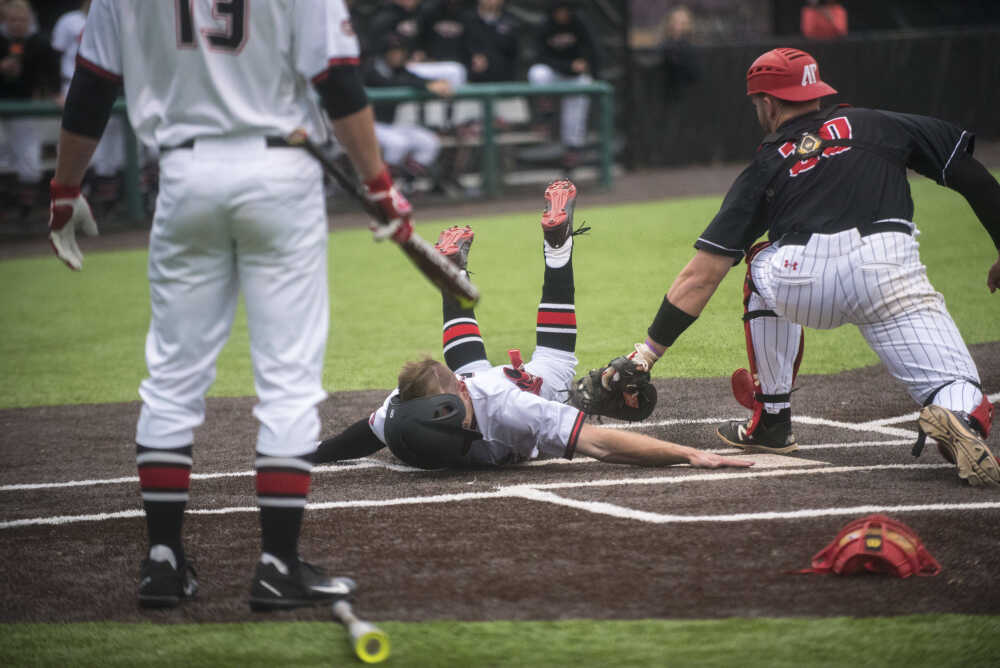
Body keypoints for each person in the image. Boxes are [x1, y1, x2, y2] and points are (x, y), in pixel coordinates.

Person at [47, 0, 416, 609]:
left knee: (171, 378)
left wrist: (65, 187)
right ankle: (277, 566)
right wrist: (378, 185)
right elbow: (340, 81)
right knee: (289, 380)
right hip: (280, 176)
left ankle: (162, 560)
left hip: (186, 174)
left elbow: (91, 86)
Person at [608, 47, 1000, 487]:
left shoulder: (768, 161)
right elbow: (974, 177)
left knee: (758, 264)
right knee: (954, 384)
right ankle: (961, 417)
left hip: (801, 276)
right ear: (816, 91)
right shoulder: (880, 124)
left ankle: (772, 420)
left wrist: (646, 354)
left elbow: (702, 275)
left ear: (768, 103)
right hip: (889, 269)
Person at [313, 180, 754, 472]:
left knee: (520, 367)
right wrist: (307, 456)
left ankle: (466, 274)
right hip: (501, 386)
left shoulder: (494, 409)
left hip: (517, 388)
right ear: (452, 395)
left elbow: (599, 443)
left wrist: (687, 454)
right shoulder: (414, 408)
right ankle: (552, 251)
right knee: (522, 366)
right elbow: (354, 438)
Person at [363, 31, 457, 195]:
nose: (397, 55)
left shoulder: (399, 69)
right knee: (397, 143)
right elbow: (388, 84)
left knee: (429, 142)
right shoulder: (370, 68)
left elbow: (413, 78)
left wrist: (432, 83)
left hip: (389, 125)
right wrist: (426, 86)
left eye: (400, 52)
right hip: (367, 124)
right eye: (393, 52)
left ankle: (405, 183)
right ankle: (382, 188)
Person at [50, 0, 125, 208]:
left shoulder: (123, 9)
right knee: (73, 146)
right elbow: (53, 55)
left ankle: (103, 198)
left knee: (110, 150)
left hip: (110, 85)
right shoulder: (70, 20)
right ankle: (76, 195)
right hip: (71, 85)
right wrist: (53, 90)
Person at [527, 1, 603, 170]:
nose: (562, 14)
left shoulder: (580, 23)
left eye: (565, 10)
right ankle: (545, 110)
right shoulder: (545, 25)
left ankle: (572, 149)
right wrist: (567, 66)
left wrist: (593, 73)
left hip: (575, 77)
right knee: (537, 73)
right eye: (559, 10)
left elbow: (593, 49)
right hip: (553, 73)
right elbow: (539, 57)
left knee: (580, 98)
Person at [0, 0, 58, 222]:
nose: (17, 24)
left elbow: (51, 73)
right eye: (12, 20)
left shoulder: (39, 42)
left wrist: (53, 92)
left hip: (25, 108)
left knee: (30, 163)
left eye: (21, 20)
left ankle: (25, 215)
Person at [463, 0, 520, 84]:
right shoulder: (466, 19)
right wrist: (472, 57)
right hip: (470, 84)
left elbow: (516, 55)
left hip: (505, 84)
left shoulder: (512, 21)